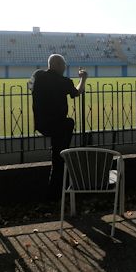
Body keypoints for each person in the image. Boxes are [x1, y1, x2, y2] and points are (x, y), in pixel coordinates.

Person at [30, 54, 87, 198]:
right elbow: (77, 92)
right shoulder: (64, 81)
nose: (65, 67)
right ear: (57, 64)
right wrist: (83, 78)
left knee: (58, 151)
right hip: (58, 125)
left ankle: (60, 159)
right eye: (63, 64)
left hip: (41, 124)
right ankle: (56, 189)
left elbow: (30, 85)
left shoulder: (38, 75)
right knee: (68, 127)